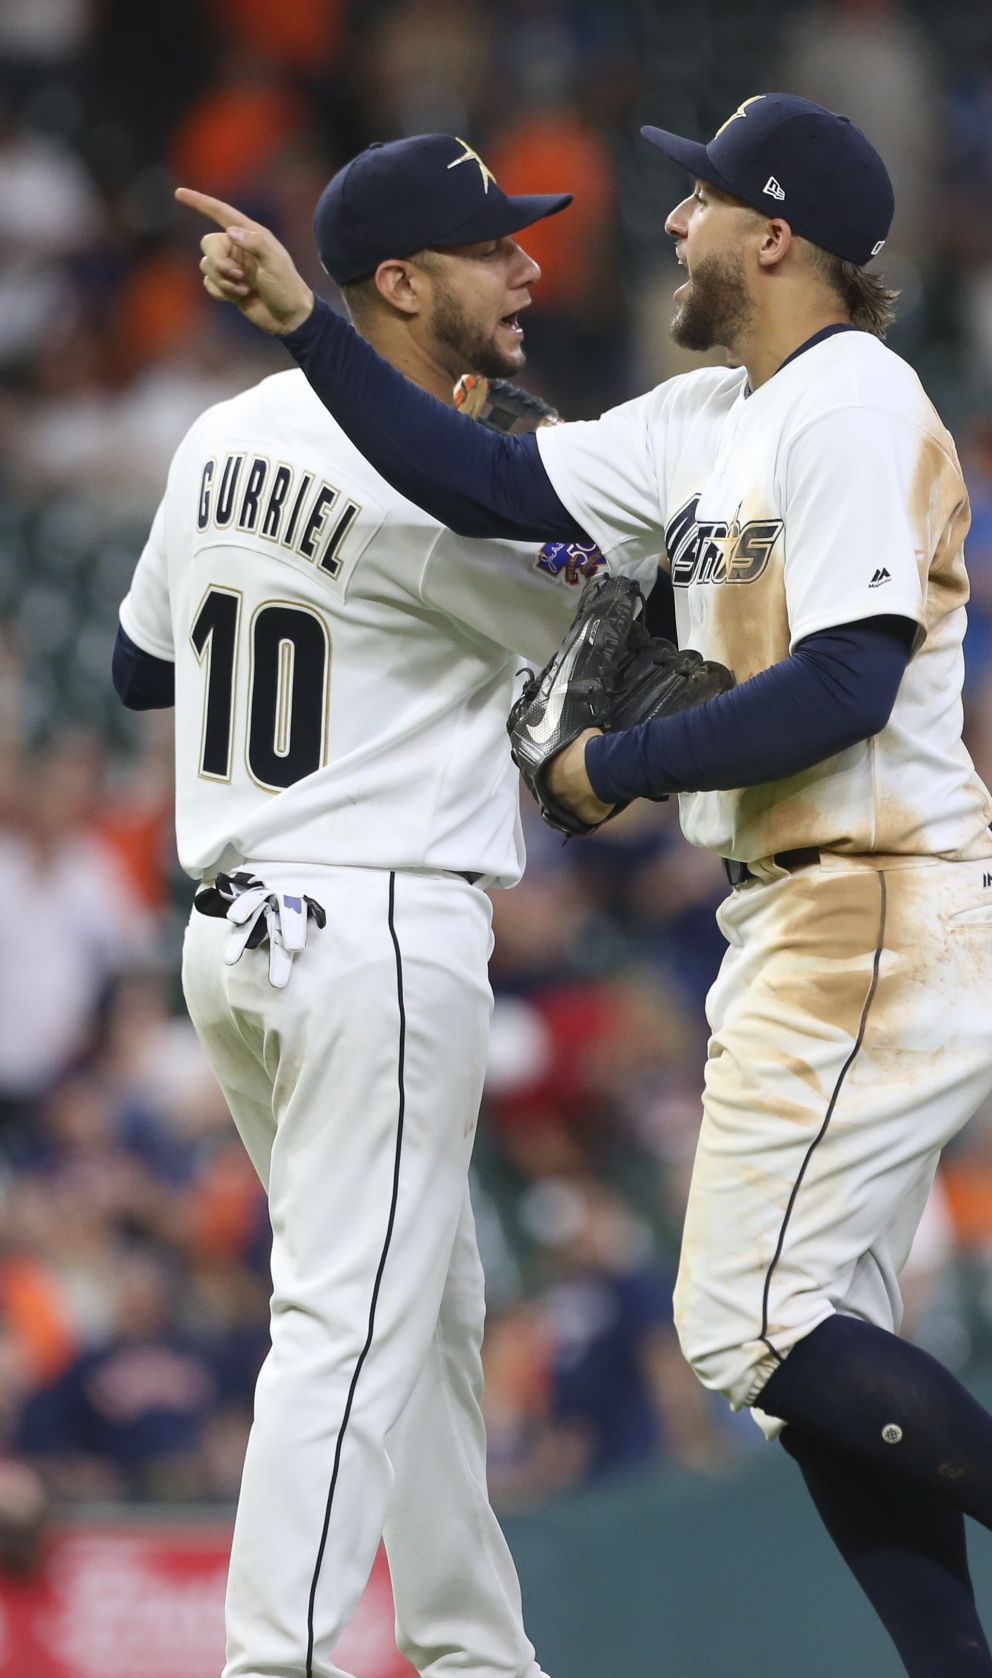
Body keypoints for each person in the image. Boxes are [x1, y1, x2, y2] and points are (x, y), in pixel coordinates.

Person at [178, 93, 992, 1678]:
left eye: (702, 201)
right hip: (800, 907)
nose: (671, 223)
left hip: (883, 896)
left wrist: (621, 770)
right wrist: (313, 327)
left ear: (775, 233)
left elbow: (854, 678)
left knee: (748, 1325)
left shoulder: (856, 401)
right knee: (822, 1363)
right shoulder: (705, 416)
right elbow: (479, 480)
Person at [120, 134, 602, 1678]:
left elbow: (140, 663)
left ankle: (473, 1652)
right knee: (351, 1321)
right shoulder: (442, 494)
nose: (526, 268)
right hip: (373, 926)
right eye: (490, 249)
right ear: (397, 284)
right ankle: (282, 1662)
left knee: (426, 1311)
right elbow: (590, 613)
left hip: (241, 936)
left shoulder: (221, 437)